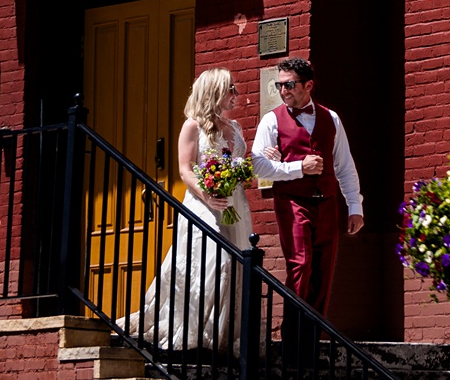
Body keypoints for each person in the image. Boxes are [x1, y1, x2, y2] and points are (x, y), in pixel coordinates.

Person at [124, 67, 299, 352]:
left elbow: (241, 164)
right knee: (214, 262)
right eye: (231, 89)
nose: (236, 95)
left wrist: (262, 157)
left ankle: (224, 335)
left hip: (235, 203)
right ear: (214, 91)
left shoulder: (236, 128)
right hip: (203, 202)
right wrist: (207, 194)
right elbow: (185, 169)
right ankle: (194, 331)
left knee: (237, 266)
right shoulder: (192, 126)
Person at [251, 57, 363, 315]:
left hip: (327, 203)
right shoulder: (271, 121)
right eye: (279, 85)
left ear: (309, 84)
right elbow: (258, 166)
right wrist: (299, 167)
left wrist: (355, 206)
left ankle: (313, 340)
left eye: (289, 85)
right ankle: (294, 339)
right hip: (292, 202)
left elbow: (344, 165)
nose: (283, 91)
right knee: (300, 265)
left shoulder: (331, 118)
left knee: (324, 270)